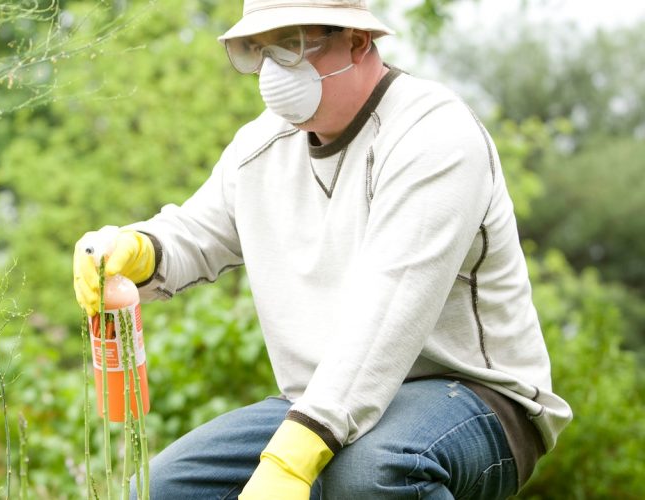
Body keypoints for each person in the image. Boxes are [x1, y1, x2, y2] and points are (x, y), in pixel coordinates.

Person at [72, 1, 572, 498]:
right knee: (159, 490)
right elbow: (197, 233)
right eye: (260, 50)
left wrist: (294, 459)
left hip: (474, 396)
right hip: (322, 399)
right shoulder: (259, 148)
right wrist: (138, 249)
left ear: (357, 41)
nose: (272, 70)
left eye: (293, 45)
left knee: (369, 473)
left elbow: (389, 313)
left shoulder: (433, 135)